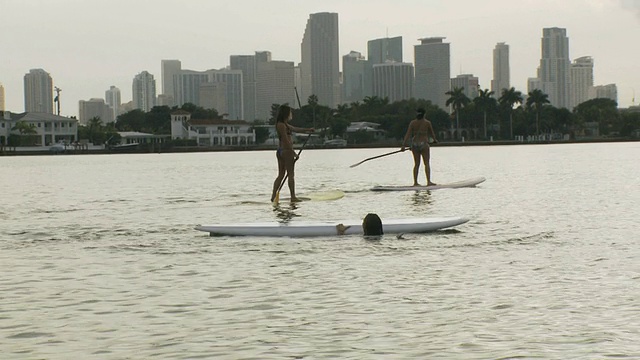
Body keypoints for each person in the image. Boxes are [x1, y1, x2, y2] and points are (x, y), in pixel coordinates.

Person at [270, 104, 314, 202]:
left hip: (282, 151)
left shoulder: (284, 124)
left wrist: (308, 130)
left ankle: (273, 197)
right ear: (286, 113)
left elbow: (296, 129)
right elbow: (285, 140)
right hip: (286, 151)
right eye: (289, 112)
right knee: (290, 175)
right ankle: (293, 197)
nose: (291, 114)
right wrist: (293, 153)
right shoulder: (281, 125)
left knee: (281, 175)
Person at [401, 108, 439, 186]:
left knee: (416, 164)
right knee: (426, 163)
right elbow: (432, 134)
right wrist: (435, 140)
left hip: (414, 145)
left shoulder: (412, 123)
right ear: (424, 114)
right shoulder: (427, 123)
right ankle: (428, 182)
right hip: (424, 144)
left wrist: (403, 146)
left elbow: (407, 134)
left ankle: (415, 182)